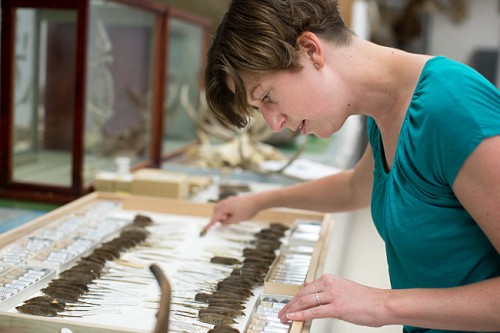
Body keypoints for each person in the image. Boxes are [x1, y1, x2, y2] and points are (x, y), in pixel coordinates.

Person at [202, 0, 500, 332]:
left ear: (311, 51)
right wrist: (258, 202)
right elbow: (354, 188)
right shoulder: (385, 109)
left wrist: (383, 304)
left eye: (268, 97)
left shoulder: (452, 108)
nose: (274, 123)